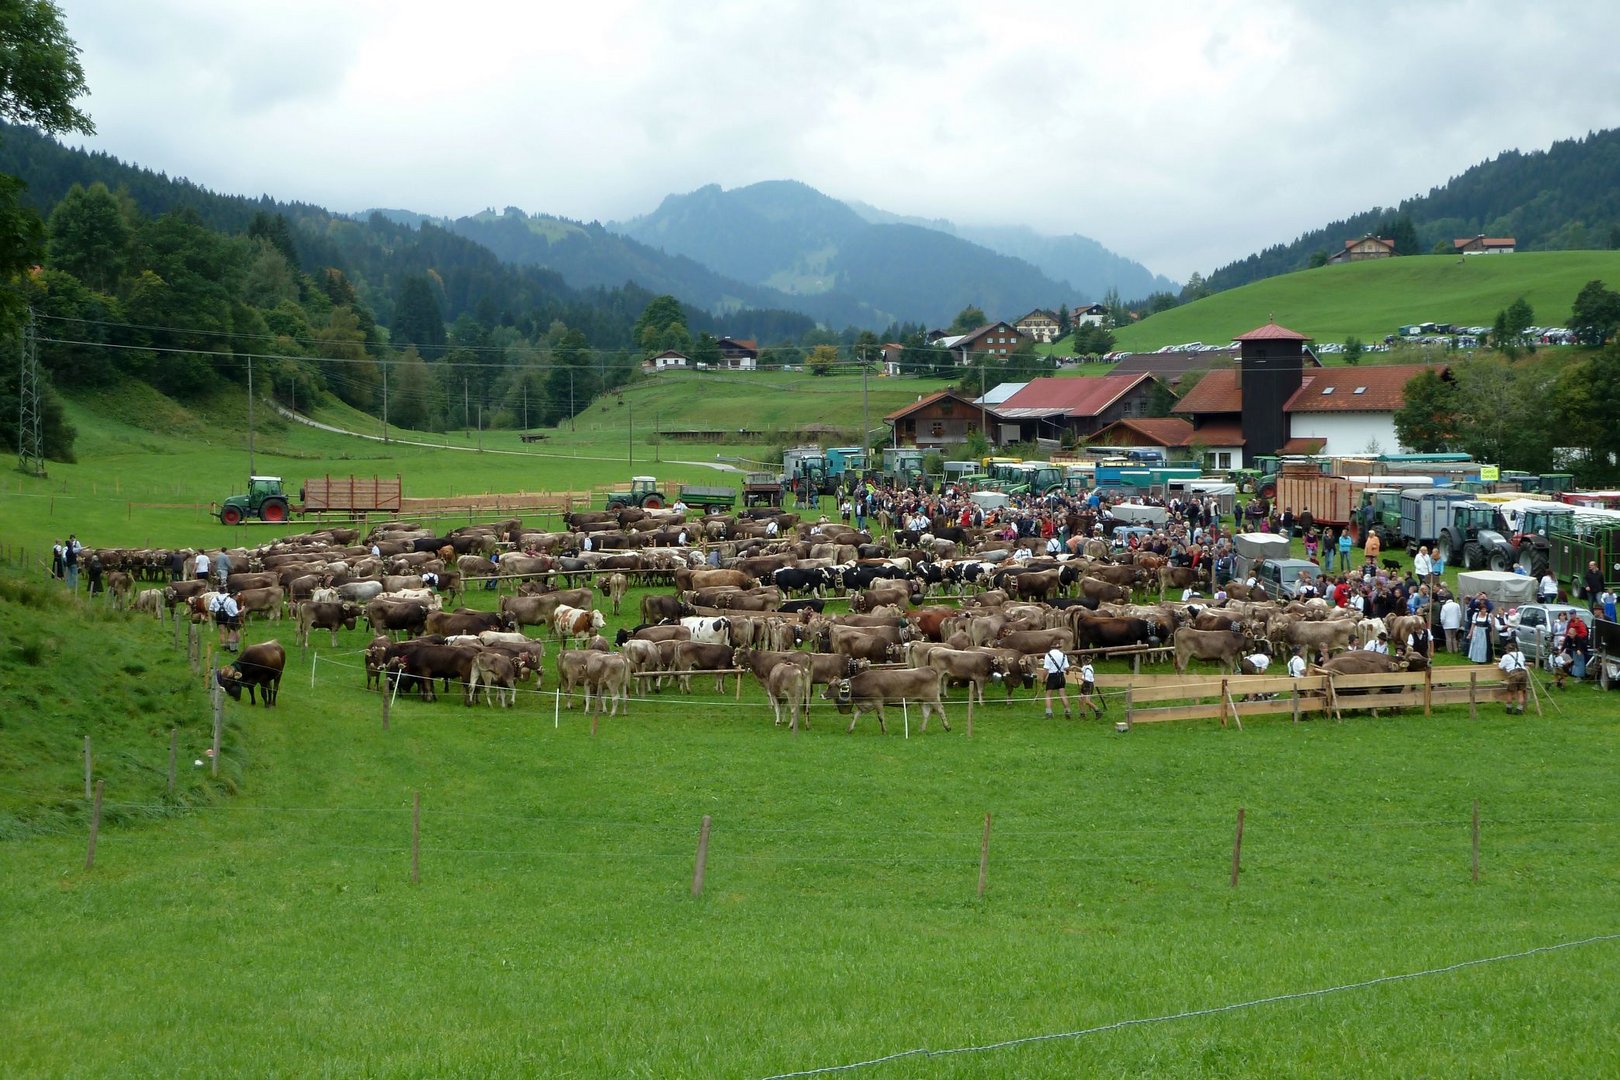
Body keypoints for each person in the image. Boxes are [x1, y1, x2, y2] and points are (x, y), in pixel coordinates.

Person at [1498, 641, 1529, 714]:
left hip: (1514, 674)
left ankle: (1509, 709)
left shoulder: (1505, 656)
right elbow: (1523, 662)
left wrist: (1500, 662)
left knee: (1510, 692)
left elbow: (1500, 667)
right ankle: (1519, 710)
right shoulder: (1520, 654)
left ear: (1507, 650)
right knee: (1520, 691)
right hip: (1523, 672)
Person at [1042, 644, 1072, 719]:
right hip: (1061, 676)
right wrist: (1067, 672)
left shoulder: (1048, 655)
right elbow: (1066, 668)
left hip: (1052, 676)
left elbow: (1046, 669)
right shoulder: (1063, 655)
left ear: (1051, 647)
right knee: (1062, 694)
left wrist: (1043, 679)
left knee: (1048, 695)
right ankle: (1067, 711)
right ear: (1058, 648)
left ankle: (1049, 713)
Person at [1466, 597, 1493, 664]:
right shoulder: (1476, 615)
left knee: (1483, 646)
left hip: (1484, 632)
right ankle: (1475, 658)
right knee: (1476, 645)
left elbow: (1492, 625)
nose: (1484, 611)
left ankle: (1482, 659)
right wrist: (1470, 634)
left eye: (1485, 609)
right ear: (1480, 610)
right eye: (1483, 609)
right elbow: (1473, 624)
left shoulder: (1488, 616)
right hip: (1477, 631)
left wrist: (1492, 619)